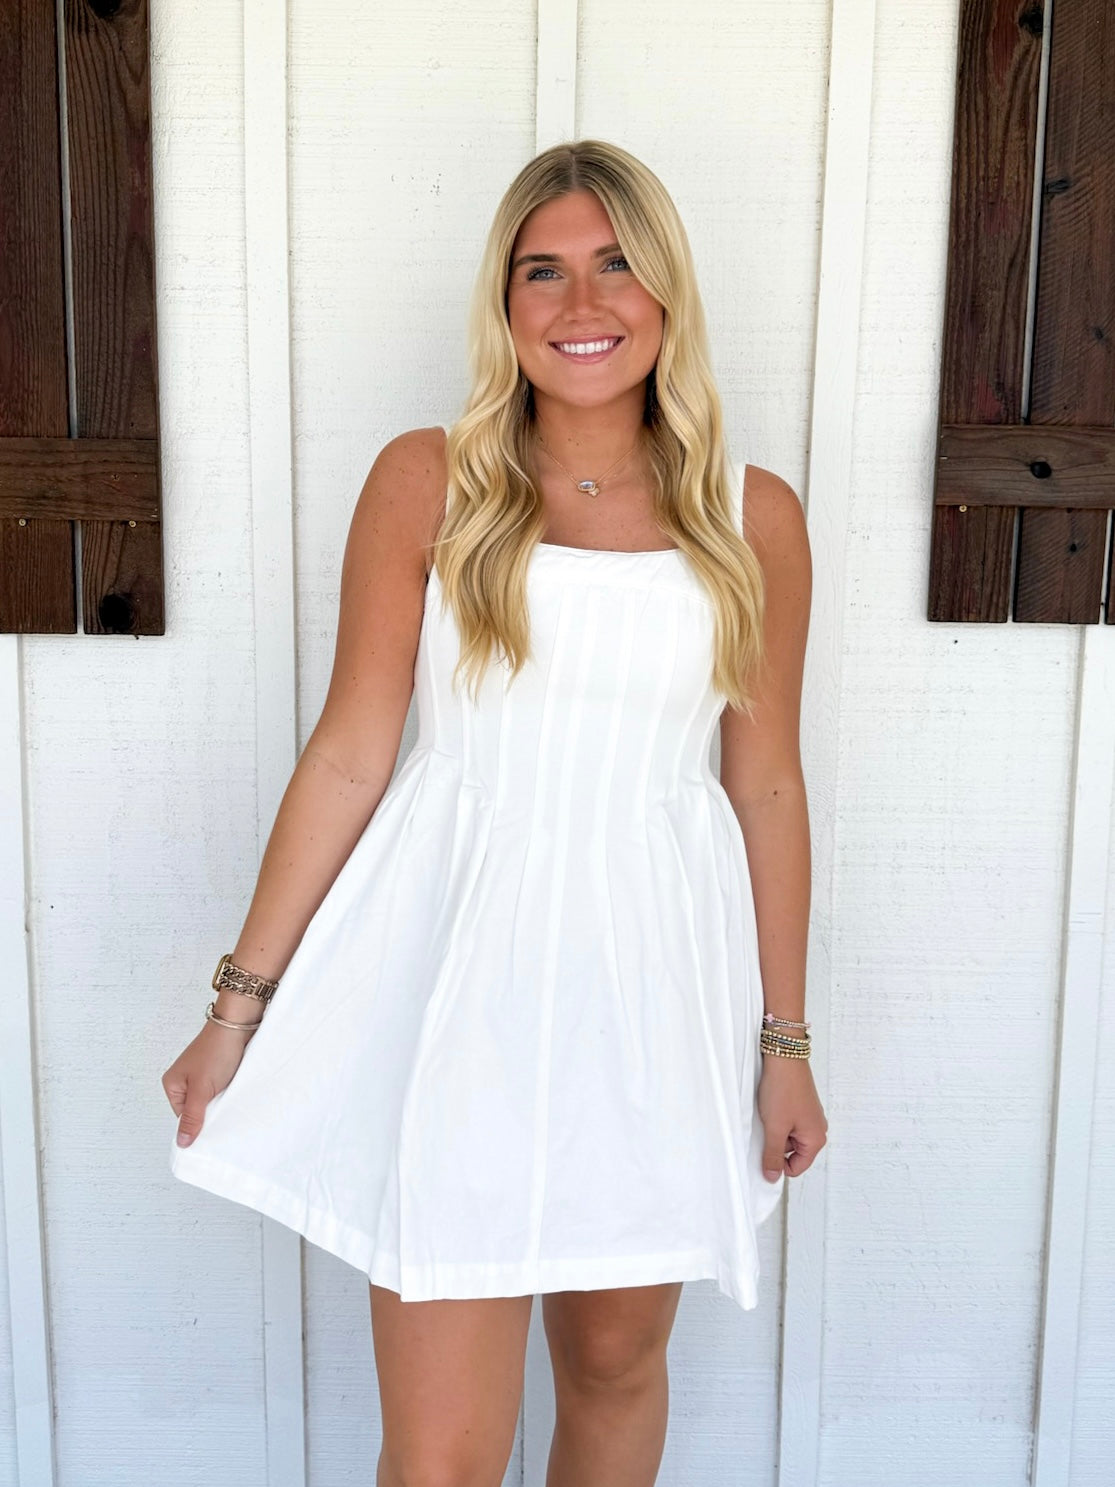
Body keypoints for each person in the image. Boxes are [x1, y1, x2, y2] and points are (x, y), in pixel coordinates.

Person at [162, 138, 827, 1487]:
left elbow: (764, 782)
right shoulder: (433, 480)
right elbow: (351, 754)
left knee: (614, 1367)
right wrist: (238, 1008)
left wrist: (785, 1040)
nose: (583, 304)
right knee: (442, 1456)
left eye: (617, 265)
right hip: (454, 985)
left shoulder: (749, 514)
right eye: (544, 272)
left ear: (667, 291)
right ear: (505, 301)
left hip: (651, 991)